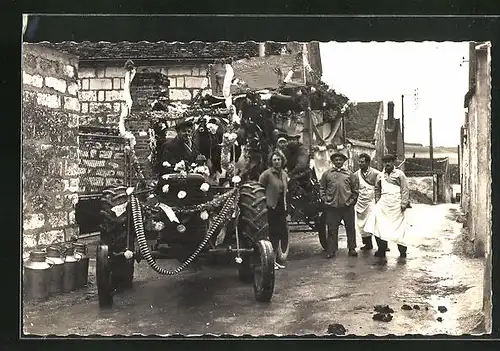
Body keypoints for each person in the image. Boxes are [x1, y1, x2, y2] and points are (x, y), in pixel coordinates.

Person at [370, 154, 410, 262]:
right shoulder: (380, 175)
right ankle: (381, 249)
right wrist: (378, 201)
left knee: (398, 228)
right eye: (385, 162)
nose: (387, 164)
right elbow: (377, 189)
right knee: (379, 225)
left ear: (394, 162)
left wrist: (403, 204)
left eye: (389, 161)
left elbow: (405, 189)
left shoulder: (400, 174)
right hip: (383, 204)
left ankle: (402, 251)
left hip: (396, 205)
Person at [319, 152, 359, 258]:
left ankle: (352, 248)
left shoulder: (350, 174)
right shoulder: (327, 174)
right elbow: (322, 188)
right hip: (332, 207)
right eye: (336, 160)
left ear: (343, 162)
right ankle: (331, 250)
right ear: (333, 162)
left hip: (347, 207)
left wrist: (350, 202)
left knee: (350, 228)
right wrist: (325, 199)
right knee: (332, 229)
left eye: (340, 160)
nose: (338, 162)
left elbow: (355, 190)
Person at [259, 151, 289, 270]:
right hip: (270, 208)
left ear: (282, 161)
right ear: (271, 161)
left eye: (278, 159)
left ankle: (275, 260)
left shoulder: (284, 174)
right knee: (271, 234)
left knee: (279, 234)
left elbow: (285, 191)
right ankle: (269, 262)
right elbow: (259, 189)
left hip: (281, 207)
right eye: (274, 159)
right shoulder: (266, 174)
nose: (276, 162)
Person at [354, 153, 380, 251]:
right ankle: (367, 244)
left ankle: (382, 246)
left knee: (376, 222)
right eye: (359, 162)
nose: (360, 164)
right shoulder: (356, 174)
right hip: (361, 202)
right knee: (362, 224)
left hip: (372, 201)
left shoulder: (376, 173)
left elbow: (379, 188)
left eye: (362, 162)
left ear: (368, 162)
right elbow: (354, 188)